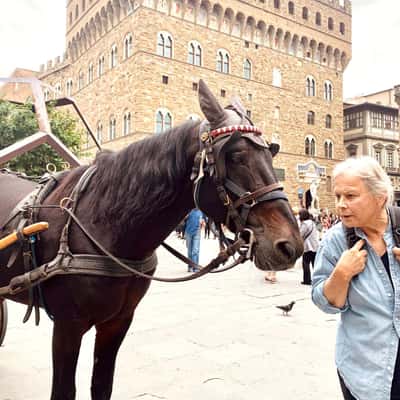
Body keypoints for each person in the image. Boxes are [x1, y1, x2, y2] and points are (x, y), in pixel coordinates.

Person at [311, 156, 400, 400]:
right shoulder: (335, 241)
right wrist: (341, 274)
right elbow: (322, 302)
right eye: (338, 196)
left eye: (350, 196)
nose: (340, 204)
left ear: (379, 197)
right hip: (366, 372)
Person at [299, 208, 319, 285]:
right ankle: (318, 279)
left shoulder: (305, 224)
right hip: (315, 246)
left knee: (306, 263)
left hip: (308, 246)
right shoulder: (312, 222)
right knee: (315, 264)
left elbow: (301, 234)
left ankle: (307, 280)